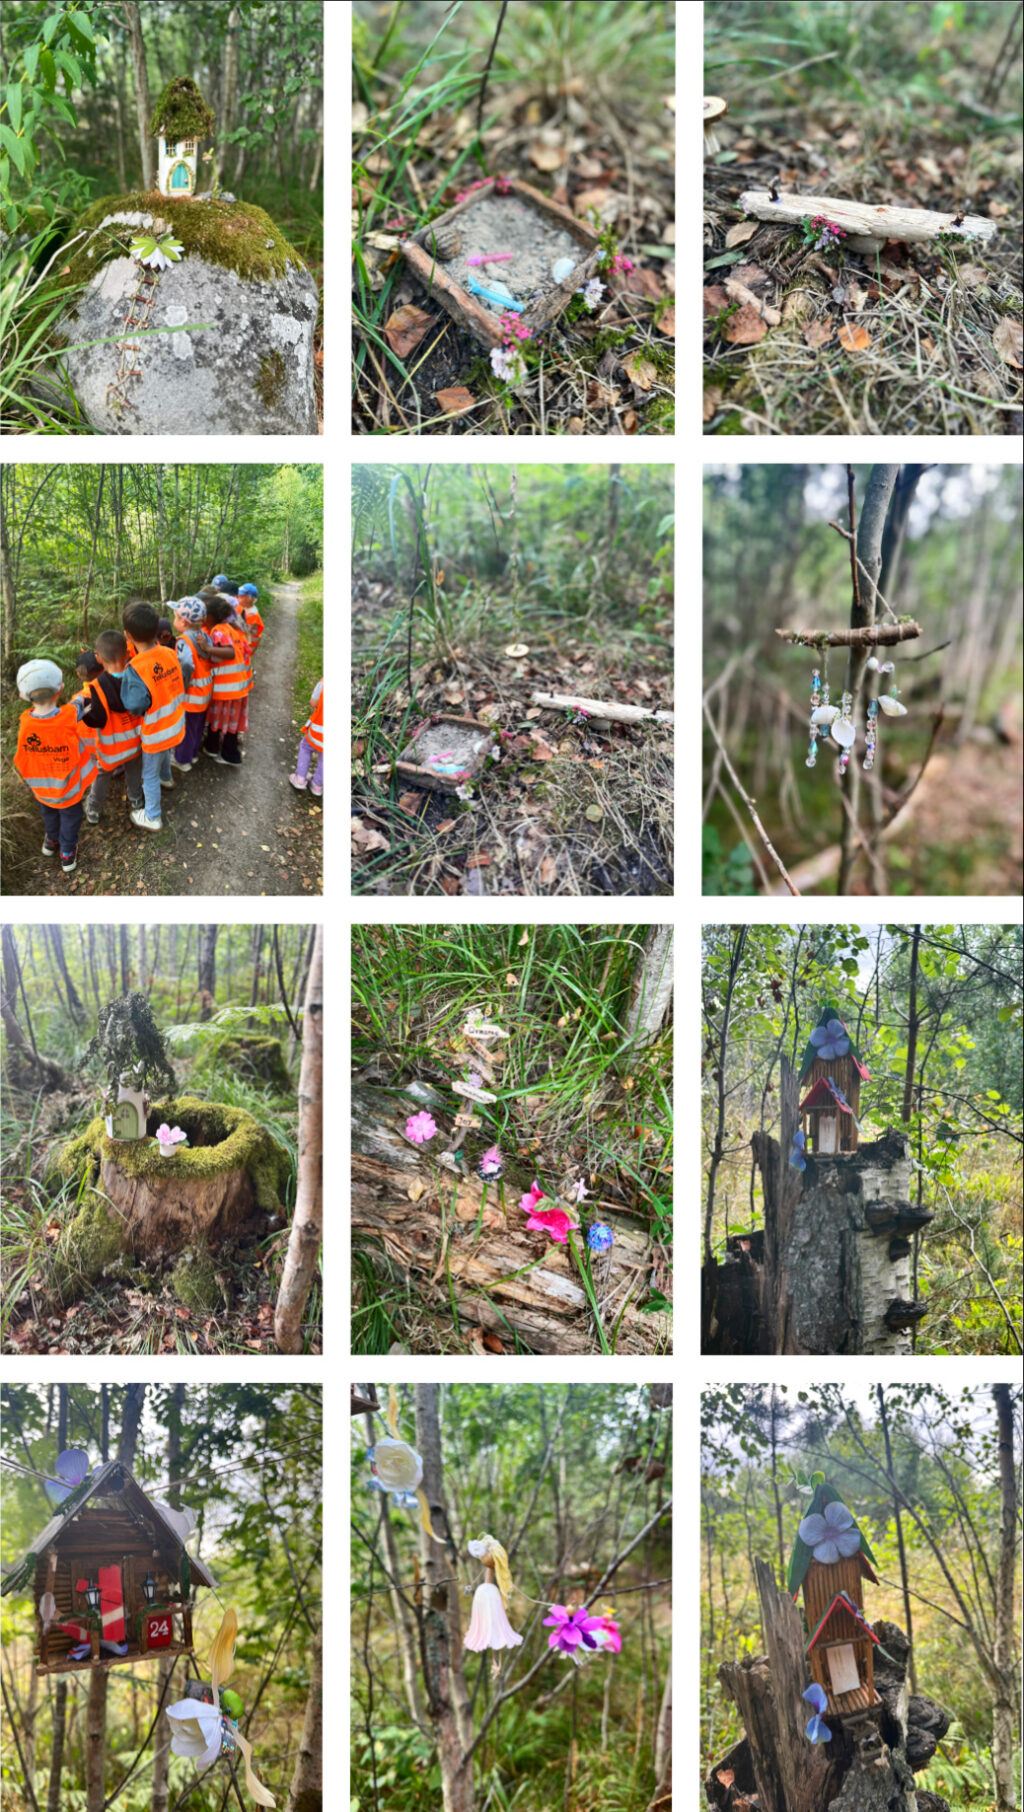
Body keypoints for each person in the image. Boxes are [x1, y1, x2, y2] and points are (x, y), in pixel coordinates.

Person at [12, 657, 97, 875]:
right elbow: (81, 704)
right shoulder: (68, 715)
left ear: (23, 696)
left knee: (49, 815)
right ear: (60, 689)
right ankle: (67, 852)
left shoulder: (25, 721)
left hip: (42, 791)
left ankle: (50, 841)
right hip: (67, 789)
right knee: (70, 817)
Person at [118, 601, 186, 831]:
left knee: (149, 775)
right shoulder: (169, 652)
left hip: (156, 731)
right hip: (175, 722)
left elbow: (135, 704)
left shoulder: (136, 667)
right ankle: (167, 777)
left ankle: (153, 815)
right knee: (164, 754)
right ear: (157, 628)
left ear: (128, 635)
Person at [85, 630, 145, 823]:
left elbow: (98, 719)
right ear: (127, 653)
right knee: (134, 772)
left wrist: (84, 713)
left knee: (102, 776)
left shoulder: (97, 686)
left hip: (110, 750)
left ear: (98, 658)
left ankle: (93, 808)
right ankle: (137, 800)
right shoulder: (137, 676)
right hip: (135, 743)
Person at [171, 596, 221, 770]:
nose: (174, 619)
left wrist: (181, 687)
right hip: (205, 691)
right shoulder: (205, 636)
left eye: (175, 616)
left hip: (191, 695)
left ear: (183, 622)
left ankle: (182, 760)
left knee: (186, 729)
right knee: (197, 726)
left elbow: (185, 664)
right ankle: (192, 755)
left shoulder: (183, 641)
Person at [203, 595, 252, 768]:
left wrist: (208, 648)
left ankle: (228, 754)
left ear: (210, 616)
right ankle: (217, 748)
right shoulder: (232, 628)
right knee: (228, 722)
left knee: (217, 718)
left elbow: (230, 653)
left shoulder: (218, 630)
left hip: (226, 689)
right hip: (238, 686)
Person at [289, 678, 323, 798]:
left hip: (317, 732)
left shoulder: (323, 683)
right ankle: (317, 785)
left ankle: (300, 778)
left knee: (305, 748)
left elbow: (313, 703)